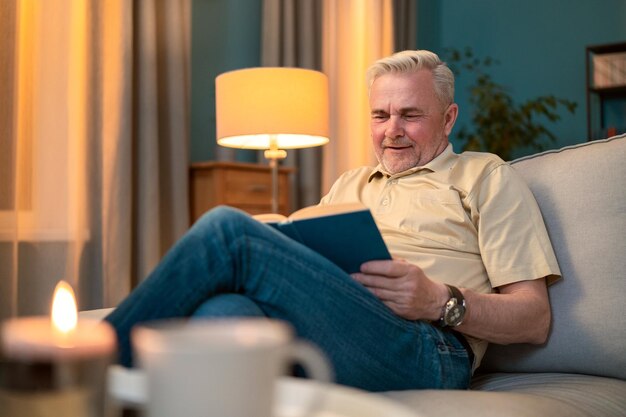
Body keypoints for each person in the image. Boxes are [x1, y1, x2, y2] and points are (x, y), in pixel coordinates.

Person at [105, 50, 560, 392]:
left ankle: (84, 373)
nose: (392, 129)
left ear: (448, 118)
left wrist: (438, 301)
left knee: (228, 230)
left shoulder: (485, 175)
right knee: (224, 315)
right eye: (380, 115)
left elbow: (534, 318)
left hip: (428, 348)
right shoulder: (349, 184)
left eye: (410, 115)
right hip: (340, 326)